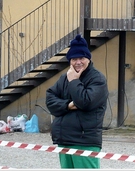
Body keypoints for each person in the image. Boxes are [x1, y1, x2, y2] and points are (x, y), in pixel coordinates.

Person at [46, 34, 108, 169]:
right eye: (74, 59)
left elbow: (85, 102)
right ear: (69, 61)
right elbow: (50, 100)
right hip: (64, 140)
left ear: (88, 59)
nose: (78, 62)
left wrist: (74, 81)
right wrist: (67, 105)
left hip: (85, 141)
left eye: (81, 58)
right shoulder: (64, 78)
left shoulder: (97, 79)